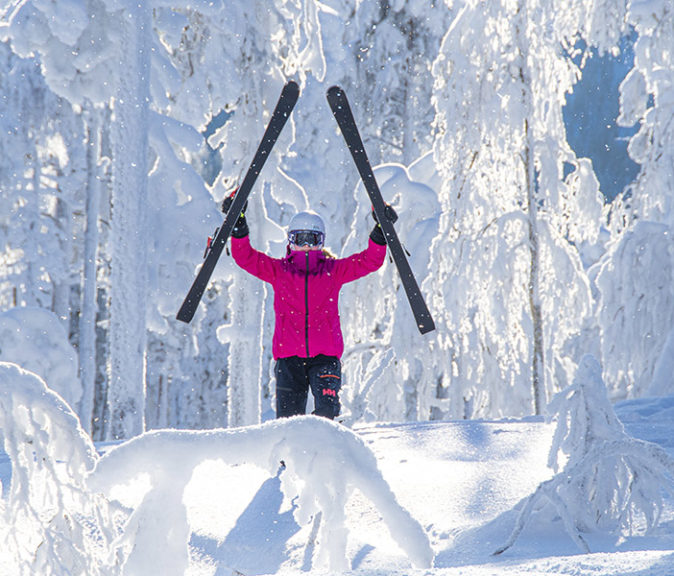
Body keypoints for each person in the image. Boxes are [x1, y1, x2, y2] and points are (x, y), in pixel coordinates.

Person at [224, 192, 397, 420]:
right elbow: (245, 257)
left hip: (325, 359)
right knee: (288, 422)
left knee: (326, 414)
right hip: (288, 360)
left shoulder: (333, 272)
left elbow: (369, 261)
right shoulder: (279, 272)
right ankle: (290, 457)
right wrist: (238, 223)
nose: (305, 246)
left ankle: (327, 453)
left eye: (312, 240)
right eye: (299, 239)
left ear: (321, 242)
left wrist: (379, 233)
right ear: (290, 241)